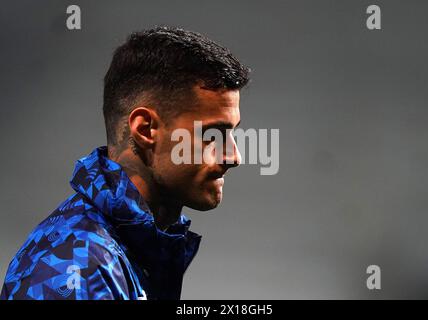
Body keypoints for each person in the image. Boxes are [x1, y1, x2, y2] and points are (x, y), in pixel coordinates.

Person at [0, 26, 250, 300]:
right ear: (145, 130)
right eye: (212, 135)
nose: (234, 156)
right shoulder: (77, 268)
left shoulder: (127, 249)